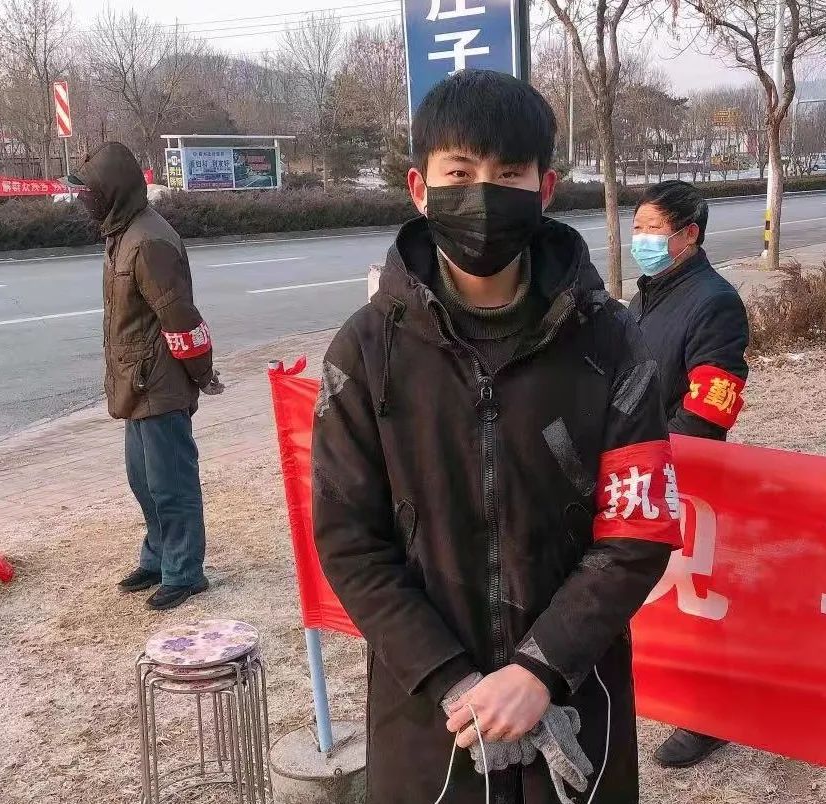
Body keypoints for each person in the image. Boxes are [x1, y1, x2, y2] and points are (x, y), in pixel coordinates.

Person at [312, 70, 682, 804]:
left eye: (508, 174)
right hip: (431, 720)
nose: (483, 193)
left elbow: (636, 532)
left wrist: (541, 669)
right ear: (420, 188)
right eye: (459, 173)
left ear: (544, 189)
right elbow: (350, 541)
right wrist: (455, 682)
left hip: (576, 701)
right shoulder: (366, 352)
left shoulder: (611, 342)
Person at [65, 142, 224, 611]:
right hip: (136, 383)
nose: (83, 200)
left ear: (113, 191)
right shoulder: (121, 232)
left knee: (171, 484)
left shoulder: (148, 242)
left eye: (89, 192)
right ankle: (158, 558)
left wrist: (202, 373)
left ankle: (185, 572)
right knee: (144, 480)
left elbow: (179, 317)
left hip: (160, 385)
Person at [628, 180, 750, 768]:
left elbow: (710, 406)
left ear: (689, 234)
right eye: (637, 228)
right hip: (636, 467)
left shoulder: (714, 301)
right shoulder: (647, 295)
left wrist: (662, 459)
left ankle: (707, 716)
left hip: (684, 476)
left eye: (653, 229)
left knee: (694, 596)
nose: (642, 240)